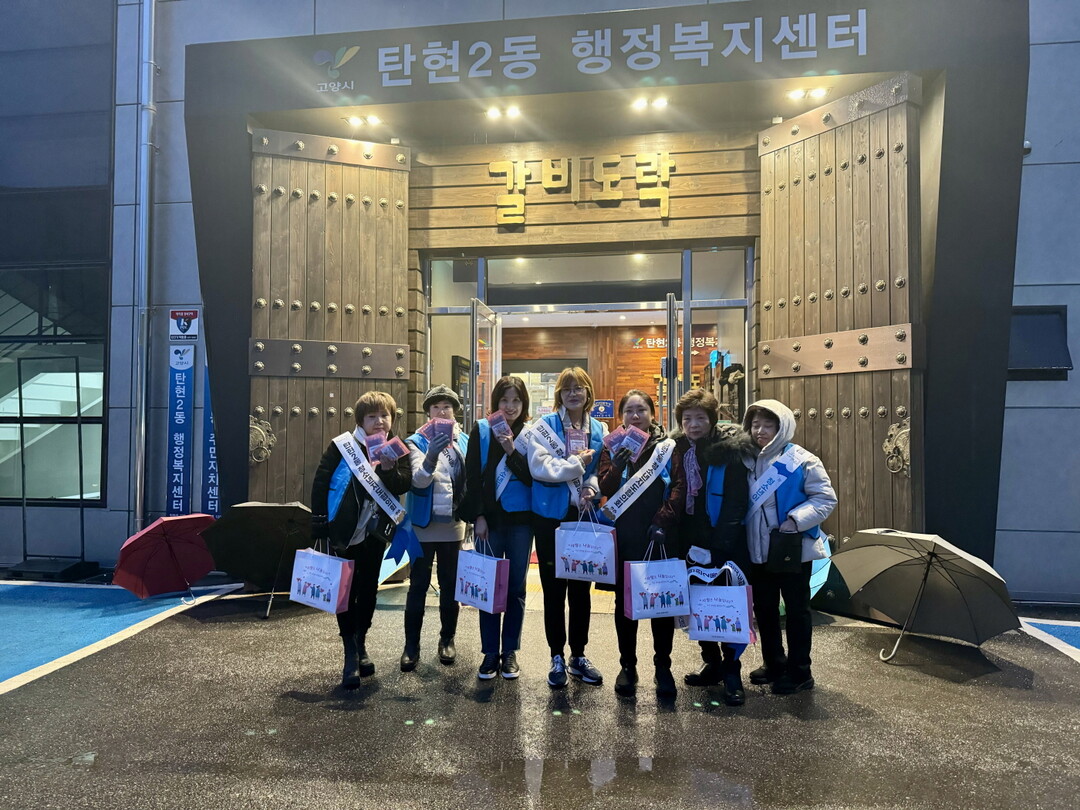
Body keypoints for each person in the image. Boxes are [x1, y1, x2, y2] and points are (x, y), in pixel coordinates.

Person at [651, 388, 756, 706]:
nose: (693, 425)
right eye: (687, 418)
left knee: (726, 604)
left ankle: (732, 670)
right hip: (687, 539)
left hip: (723, 540)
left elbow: (737, 503)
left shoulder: (729, 451)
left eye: (700, 418)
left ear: (712, 419)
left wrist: (719, 549)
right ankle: (711, 662)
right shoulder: (675, 450)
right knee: (699, 604)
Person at [310, 391, 412, 689]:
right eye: (372, 416)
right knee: (346, 590)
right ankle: (349, 651)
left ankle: (361, 643)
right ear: (360, 420)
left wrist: (390, 469)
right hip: (345, 531)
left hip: (374, 533)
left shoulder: (397, 448)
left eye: (385, 416)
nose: (379, 422)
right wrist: (319, 524)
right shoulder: (342, 446)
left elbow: (403, 484)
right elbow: (321, 482)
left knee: (368, 589)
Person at [742, 398, 837, 694]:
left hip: (792, 548)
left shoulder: (803, 460)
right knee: (765, 609)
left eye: (768, 425)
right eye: (755, 425)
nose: (760, 431)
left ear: (782, 426)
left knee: (797, 611)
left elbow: (825, 499)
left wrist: (796, 520)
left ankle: (800, 672)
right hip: (757, 550)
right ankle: (774, 663)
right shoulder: (745, 460)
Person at [527, 366, 608, 688]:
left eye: (579, 388)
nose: (573, 394)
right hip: (550, 517)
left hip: (582, 516)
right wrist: (576, 465)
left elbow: (598, 469)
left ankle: (579, 655)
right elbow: (539, 467)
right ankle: (556, 655)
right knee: (553, 589)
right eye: (567, 388)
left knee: (581, 590)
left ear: (588, 393)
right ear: (559, 394)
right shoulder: (544, 426)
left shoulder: (598, 428)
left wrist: (591, 487)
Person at [597, 389, 676, 697]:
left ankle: (663, 666)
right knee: (625, 603)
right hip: (626, 534)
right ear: (621, 417)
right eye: (629, 410)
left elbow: (679, 486)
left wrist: (663, 519)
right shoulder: (612, 446)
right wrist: (617, 464)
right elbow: (605, 486)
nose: (635, 416)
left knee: (661, 603)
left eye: (641, 409)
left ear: (652, 414)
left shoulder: (667, 446)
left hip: (659, 533)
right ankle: (627, 666)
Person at [460, 376, 534, 680]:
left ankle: (510, 651)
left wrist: (511, 450)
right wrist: (478, 515)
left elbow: (532, 477)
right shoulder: (481, 430)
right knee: (488, 585)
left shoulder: (531, 432)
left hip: (521, 522)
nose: (510, 406)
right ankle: (490, 651)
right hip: (489, 522)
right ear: (496, 402)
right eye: (505, 400)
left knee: (516, 587)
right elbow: (472, 477)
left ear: (524, 403)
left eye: (516, 400)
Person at [401, 385, 470, 672]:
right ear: (428, 412)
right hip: (422, 524)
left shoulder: (465, 441)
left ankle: (447, 639)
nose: (442, 412)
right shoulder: (416, 441)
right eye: (436, 407)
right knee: (417, 584)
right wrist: (431, 455)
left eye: (447, 407)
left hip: (453, 524)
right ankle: (411, 645)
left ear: (455, 412)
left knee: (450, 584)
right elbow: (418, 481)